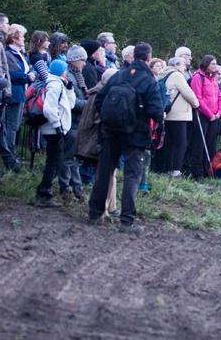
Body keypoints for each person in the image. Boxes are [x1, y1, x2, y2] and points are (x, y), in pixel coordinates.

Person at [88, 42, 164, 234]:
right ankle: (127, 221)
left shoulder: (118, 75)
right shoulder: (149, 80)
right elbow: (156, 111)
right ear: (148, 58)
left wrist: (108, 119)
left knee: (104, 171)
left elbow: (99, 99)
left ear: (133, 56)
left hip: (111, 131)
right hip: (136, 135)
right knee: (132, 175)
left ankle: (95, 213)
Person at [35, 59, 76, 208]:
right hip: (53, 129)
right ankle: (44, 193)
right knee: (54, 162)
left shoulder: (59, 84)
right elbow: (48, 108)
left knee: (55, 161)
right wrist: (57, 126)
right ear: (61, 71)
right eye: (66, 70)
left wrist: (70, 88)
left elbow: (69, 105)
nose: (67, 72)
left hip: (55, 128)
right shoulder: (54, 85)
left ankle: (44, 190)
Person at [76, 68, 118, 215]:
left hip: (92, 137)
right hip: (96, 139)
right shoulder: (102, 95)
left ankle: (110, 207)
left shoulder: (96, 92)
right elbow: (99, 119)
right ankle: (105, 208)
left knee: (108, 173)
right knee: (107, 174)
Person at [157, 57, 199, 177]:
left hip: (168, 113)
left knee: (170, 143)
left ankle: (167, 168)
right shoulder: (177, 75)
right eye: (183, 65)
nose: (185, 67)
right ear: (176, 65)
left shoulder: (163, 75)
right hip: (179, 114)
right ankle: (175, 170)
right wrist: (196, 104)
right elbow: (187, 92)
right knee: (180, 143)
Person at [2, 24, 33, 171]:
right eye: (22, 37)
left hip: (21, 92)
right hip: (14, 93)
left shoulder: (20, 53)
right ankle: (9, 153)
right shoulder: (8, 54)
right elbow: (13, 74)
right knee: (11, 126)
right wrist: (27, 77)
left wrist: (28, 75)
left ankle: (11, 152)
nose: (24, 39)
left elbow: (29, 67)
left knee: (15, 125)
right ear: (14, 38)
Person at [188, 55, 221, 180]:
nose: (215, 66)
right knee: (199, 144)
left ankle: (207, 171)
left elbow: (219, 96)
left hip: (215, 116)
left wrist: (219, 113)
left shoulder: (213, 79)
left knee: (210, 144)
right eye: (213, 64)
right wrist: (209, 114)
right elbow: (198, 97)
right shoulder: (198, 77)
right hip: (202, 116)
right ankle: (196, 173)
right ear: (206, 64)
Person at [61, 45, 88, 201]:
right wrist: (89, 105)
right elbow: (70, 102)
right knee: (68, 157)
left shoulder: (78, 76)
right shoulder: (69, 78)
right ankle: (66, 188)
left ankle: (76, 188)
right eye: (82, 60)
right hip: (70, 121)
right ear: (75, 60)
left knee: (75, 158)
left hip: (78, 122)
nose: (84, 63)